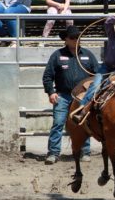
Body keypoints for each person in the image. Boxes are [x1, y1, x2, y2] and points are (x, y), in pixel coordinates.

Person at [42, 25, 99, 165]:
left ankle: (85, 151)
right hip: (62, 94)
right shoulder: (57, 55)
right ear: (66, 39)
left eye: (78, 38)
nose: (75, 40)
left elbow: (97, 74)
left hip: (82, 96)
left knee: (83, 122)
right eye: (72, 38)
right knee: (58, 123)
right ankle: (53, 153)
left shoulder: (88, 55)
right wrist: (51, 92)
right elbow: (48, 76)